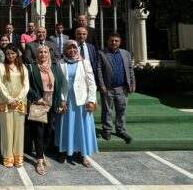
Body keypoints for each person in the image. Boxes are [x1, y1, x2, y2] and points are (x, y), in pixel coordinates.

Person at [55, 40, 98, 168]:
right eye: (69, 48)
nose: (72, 50)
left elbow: (91, 83)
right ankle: (64, 151)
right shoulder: (60, 63)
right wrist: (61, 99)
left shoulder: (84, 63)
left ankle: (82, 153)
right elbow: (60, 83)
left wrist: (91, 100)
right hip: (67, 100)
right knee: (65, 126)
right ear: (65, 50)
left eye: (74, 48)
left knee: (81, 127)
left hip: (81, 101)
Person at [27, 45, 63, 175]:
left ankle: (42, 153)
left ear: (49, 54)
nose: (43, 54)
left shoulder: (54, 67)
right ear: (37, 54)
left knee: (48, 132)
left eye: (45, 52)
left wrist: (58, 103)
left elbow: (58, 86)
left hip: (51, 103)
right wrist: (37, 98)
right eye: (40, 52)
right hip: (40, 103)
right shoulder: (32, 67)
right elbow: (29, 86)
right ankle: (39, 160)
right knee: (39, 132)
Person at [97, 33, 136, 144]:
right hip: (108, 88)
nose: (113, 42)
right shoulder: (101, 53)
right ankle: (107, 130)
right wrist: (101, 85)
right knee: (107, 110)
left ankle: (121, 130)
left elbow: (130, 69)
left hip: (122, 88)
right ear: (107, 42)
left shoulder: (126, 54)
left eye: (116, 41)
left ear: (120, 42)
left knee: (122, 110)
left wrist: (133, 83)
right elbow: (99, 70)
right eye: (111, 40)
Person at [0, 44, 29, 168]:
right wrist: (9, 99)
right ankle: (7, 157)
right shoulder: (1, 66)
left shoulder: (22, 67)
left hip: (20, 103)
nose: (10, 56)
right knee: (7, 131)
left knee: (19, 131)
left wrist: (18, 99)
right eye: (8, 53)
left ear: (17, 54)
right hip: (5, 102)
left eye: (13, 53)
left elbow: (26, 85)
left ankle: (18, 157)